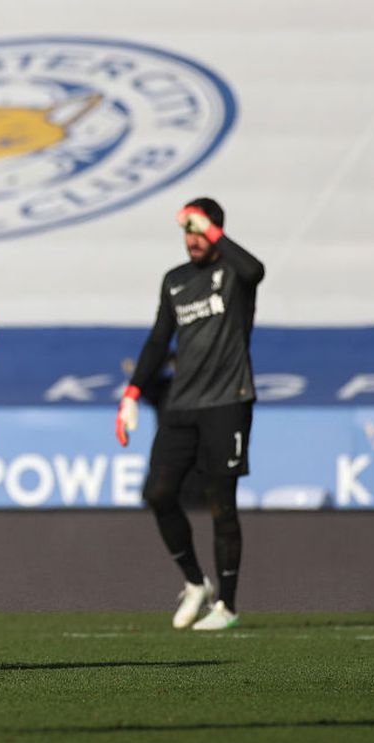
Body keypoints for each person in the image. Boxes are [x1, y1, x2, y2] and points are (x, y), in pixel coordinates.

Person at [116, 198, 265, 631]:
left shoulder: (236, 274)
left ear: (216, 231)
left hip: (228, 402)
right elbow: (159, 340)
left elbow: (257, 270)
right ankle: (194, 582)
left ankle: (228, 606)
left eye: (199, 230)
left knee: (222, 504)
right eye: (187, 231)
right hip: (182, 406)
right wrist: (131, 394)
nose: (192, 240)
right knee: (159, 493)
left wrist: (213, 230)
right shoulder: (176, 280)